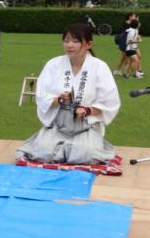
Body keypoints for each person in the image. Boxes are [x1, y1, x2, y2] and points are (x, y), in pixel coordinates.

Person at [15, 23, 120, 165]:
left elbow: (110, 101)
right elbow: (42, 95)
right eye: (66, 41)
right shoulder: (53, 64)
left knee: (87, 154)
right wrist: (59, 99)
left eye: (75, 41)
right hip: (58, 125)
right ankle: (50, 143)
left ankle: (83, 146)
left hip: (85, 126)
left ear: (88, 44)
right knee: (42, 152)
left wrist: (87, 110)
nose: (69, 45)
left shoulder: (99, 67)